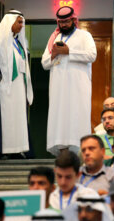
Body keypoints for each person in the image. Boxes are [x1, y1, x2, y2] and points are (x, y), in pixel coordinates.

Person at [41, 6, 97, 156]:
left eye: (66, 21)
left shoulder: (84, 36)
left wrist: (68, 52)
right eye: (61, 22)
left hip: (78, 88)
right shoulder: (54, 38)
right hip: (58, 88)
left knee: (77, 116)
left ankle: (81, 152)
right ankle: (62, 151)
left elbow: (92, 55)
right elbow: (44, 63)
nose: (64, 25)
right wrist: (54, 55)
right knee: (60, 118)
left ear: (73, 20)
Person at [0, 10, 33, 159]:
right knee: (3, 119)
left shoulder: (18, 43)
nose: (21, 25)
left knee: (17, 119)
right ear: (9, 21)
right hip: (3, 88)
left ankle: (16, 150)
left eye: (22, 22)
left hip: (18, 88)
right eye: (19, 22)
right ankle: (0, 151)